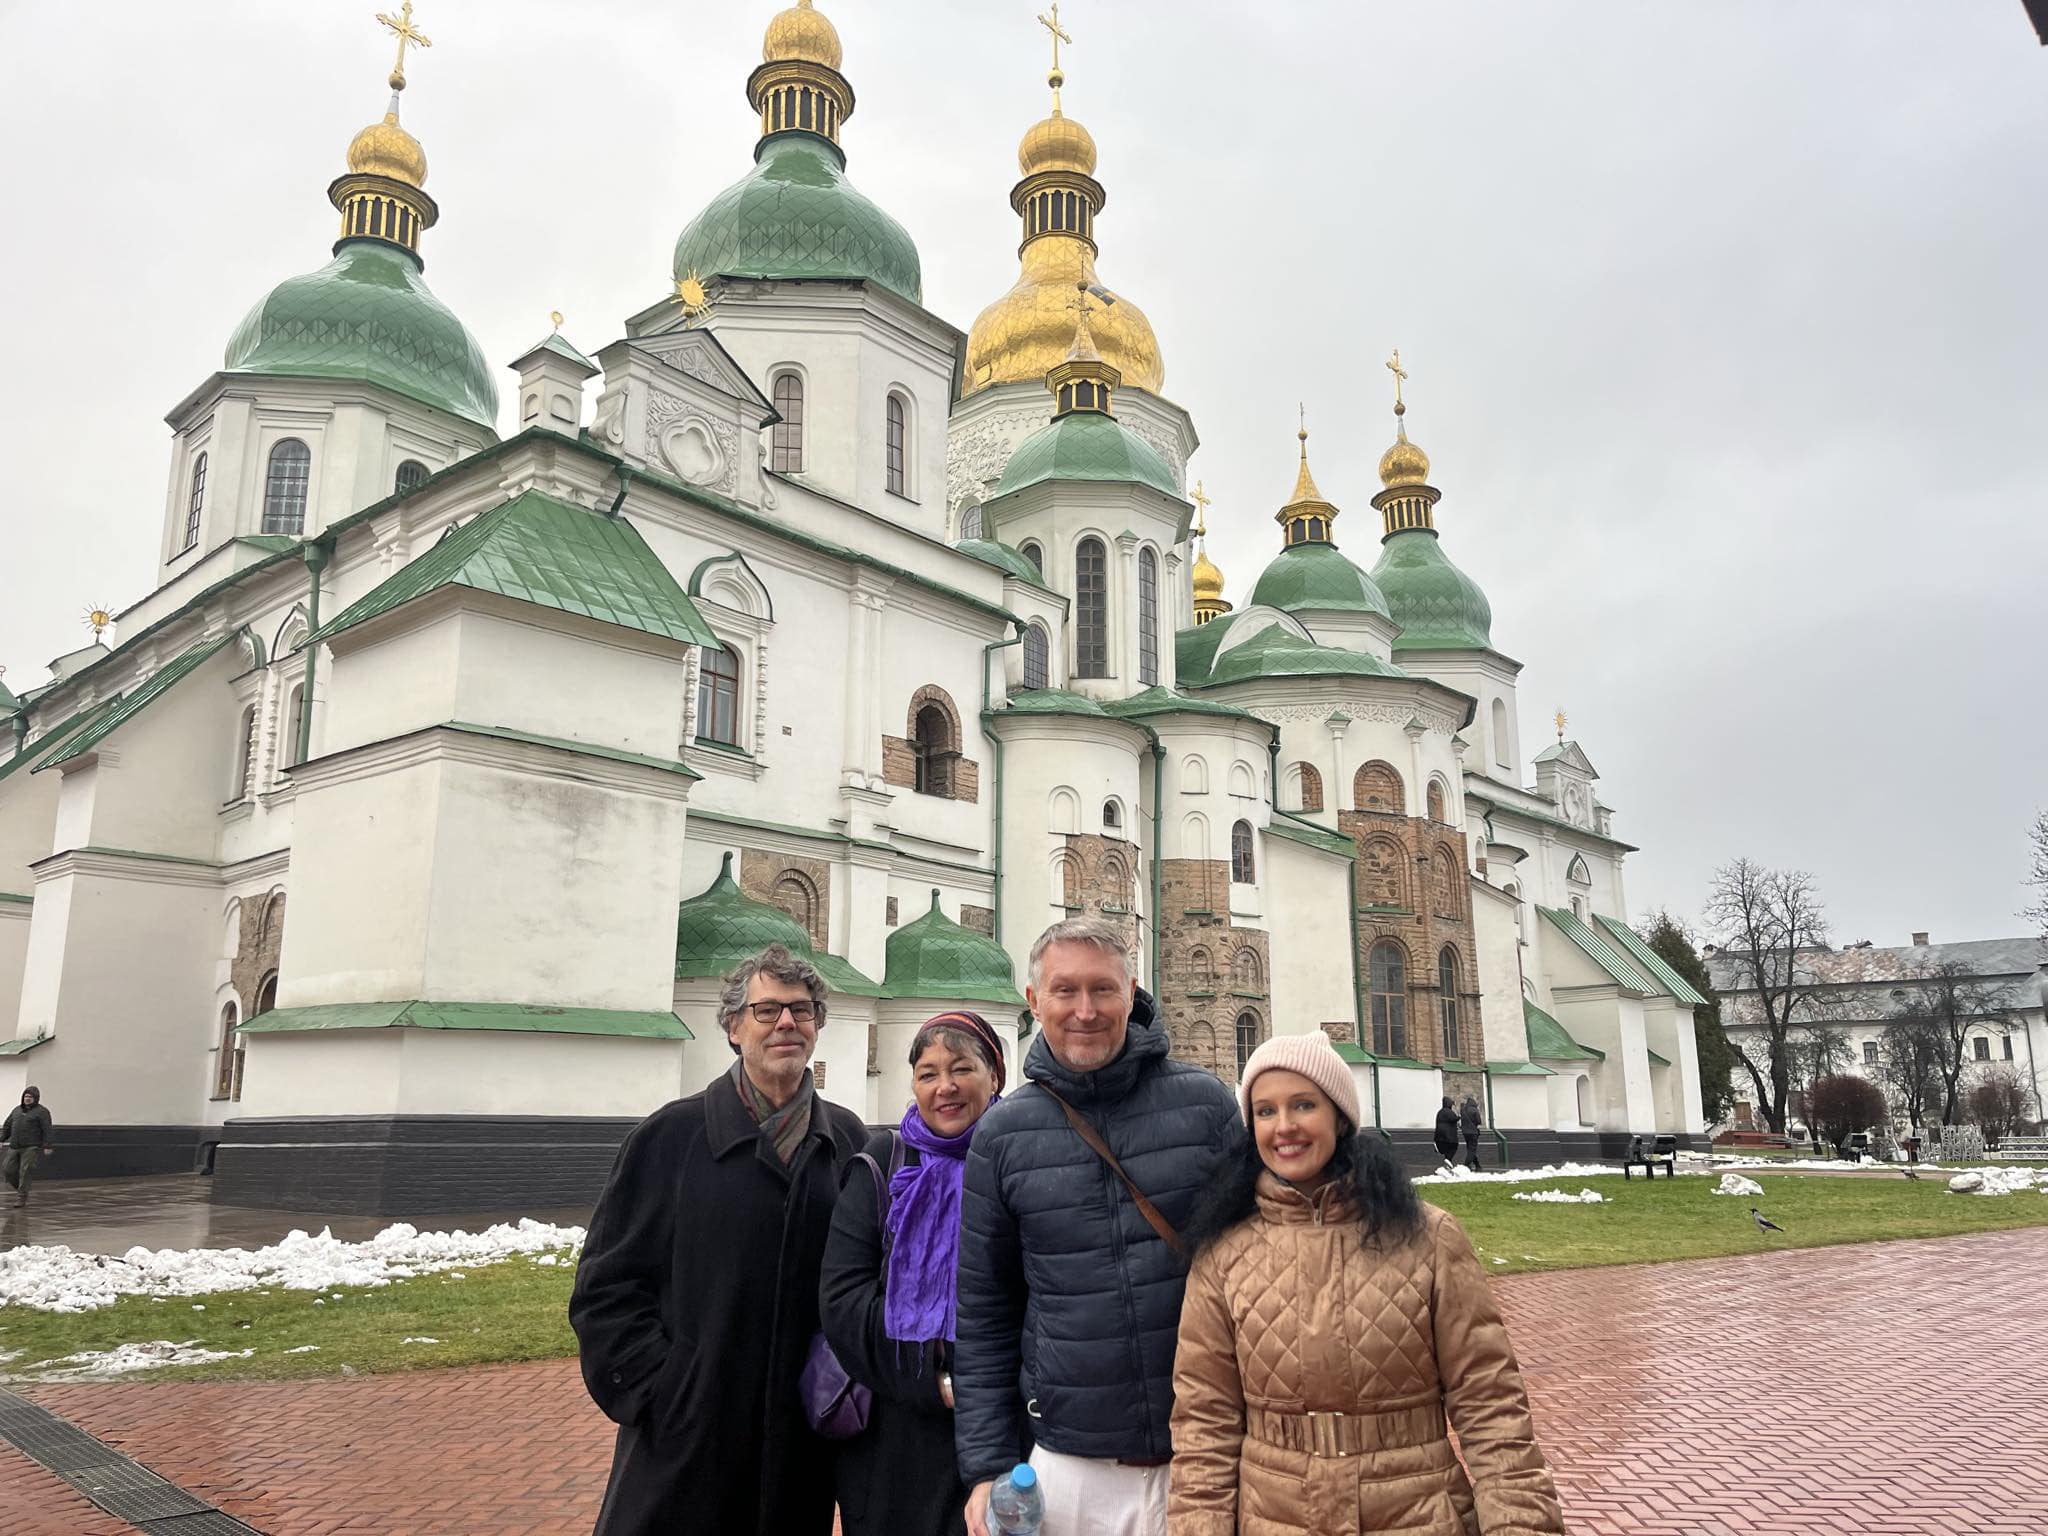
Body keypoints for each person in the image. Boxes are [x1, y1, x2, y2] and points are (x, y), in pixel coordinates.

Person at [1170, 1032, 1565, 1536]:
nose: (1284, 1126)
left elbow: (1490, 1404)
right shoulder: (1224, 1255)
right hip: (1275, 1515)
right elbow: (1205, 1424)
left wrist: (1522, 1524)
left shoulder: (1427, 1238)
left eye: (1304, 1104)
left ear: (1339, 1115)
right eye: (1265, 1111)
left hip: (1416, 1512)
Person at [569, 944, 867, 1536]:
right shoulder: (669, 1140)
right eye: (767, 1010)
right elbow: (607, 1289)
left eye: (802, 1011)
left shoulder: (848, 1143)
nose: (787, 1023)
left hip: (797, 1446)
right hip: (686, 1443)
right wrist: (664, 1393)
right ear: (733, 1027)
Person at [955, 917, 1239, 1536]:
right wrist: (986, 1467)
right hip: (1066, 1467)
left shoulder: (1206, 1106)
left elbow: (1261, 1269)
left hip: (1199, 1457)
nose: (1085, 1010)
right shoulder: (1003, 1136)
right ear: (1035, 1002)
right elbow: (983, 1313)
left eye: (1103, 990)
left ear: (1132, 992)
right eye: (1065, 991)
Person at [821, 1010, 1010, 1536]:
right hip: (894, 1432)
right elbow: (843, 1300)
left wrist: (988, 1383)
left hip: (1003, 1428)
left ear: (995, 1075)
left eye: (962, 1069)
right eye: (928, 1073)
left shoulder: (1020, 1162)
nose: (945, 1087)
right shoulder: (883, 1162)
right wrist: (936, 1380)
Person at [3, 1087, 54, 1205]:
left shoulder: (42, 1112)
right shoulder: (16, 1110)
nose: (27, 1099)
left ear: (35, 1098)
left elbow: (47, 1129)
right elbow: (7, 1125)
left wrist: (48, 1145)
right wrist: (2, 1138)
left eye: (30, 1097)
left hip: (31, 1146)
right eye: (26, 1097)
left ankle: (22, 1196)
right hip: (14, 1145)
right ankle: (22, 1189)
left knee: (25, 1171)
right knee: (7, 1169)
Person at [1433, 1095, 1460, 1168]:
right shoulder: (1448, 1112)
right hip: (1449, 1135)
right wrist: (1459, 1117)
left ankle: (1448, 1162)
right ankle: (1448, 1159)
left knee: (1446, 1147)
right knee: (1454, 1146)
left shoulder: (1440, 1112)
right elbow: (1453, 1119)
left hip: (1439, 1135)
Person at [1461, 1094, 1484, 1172]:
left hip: (1465, 1133)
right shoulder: (1474, 1110)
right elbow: (1479, 1121)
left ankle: (1477, 1165)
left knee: (1470, 1149)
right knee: (1472, 1150)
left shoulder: (1463, 1110)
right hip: (1473, 1132)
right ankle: (1466, 1165)